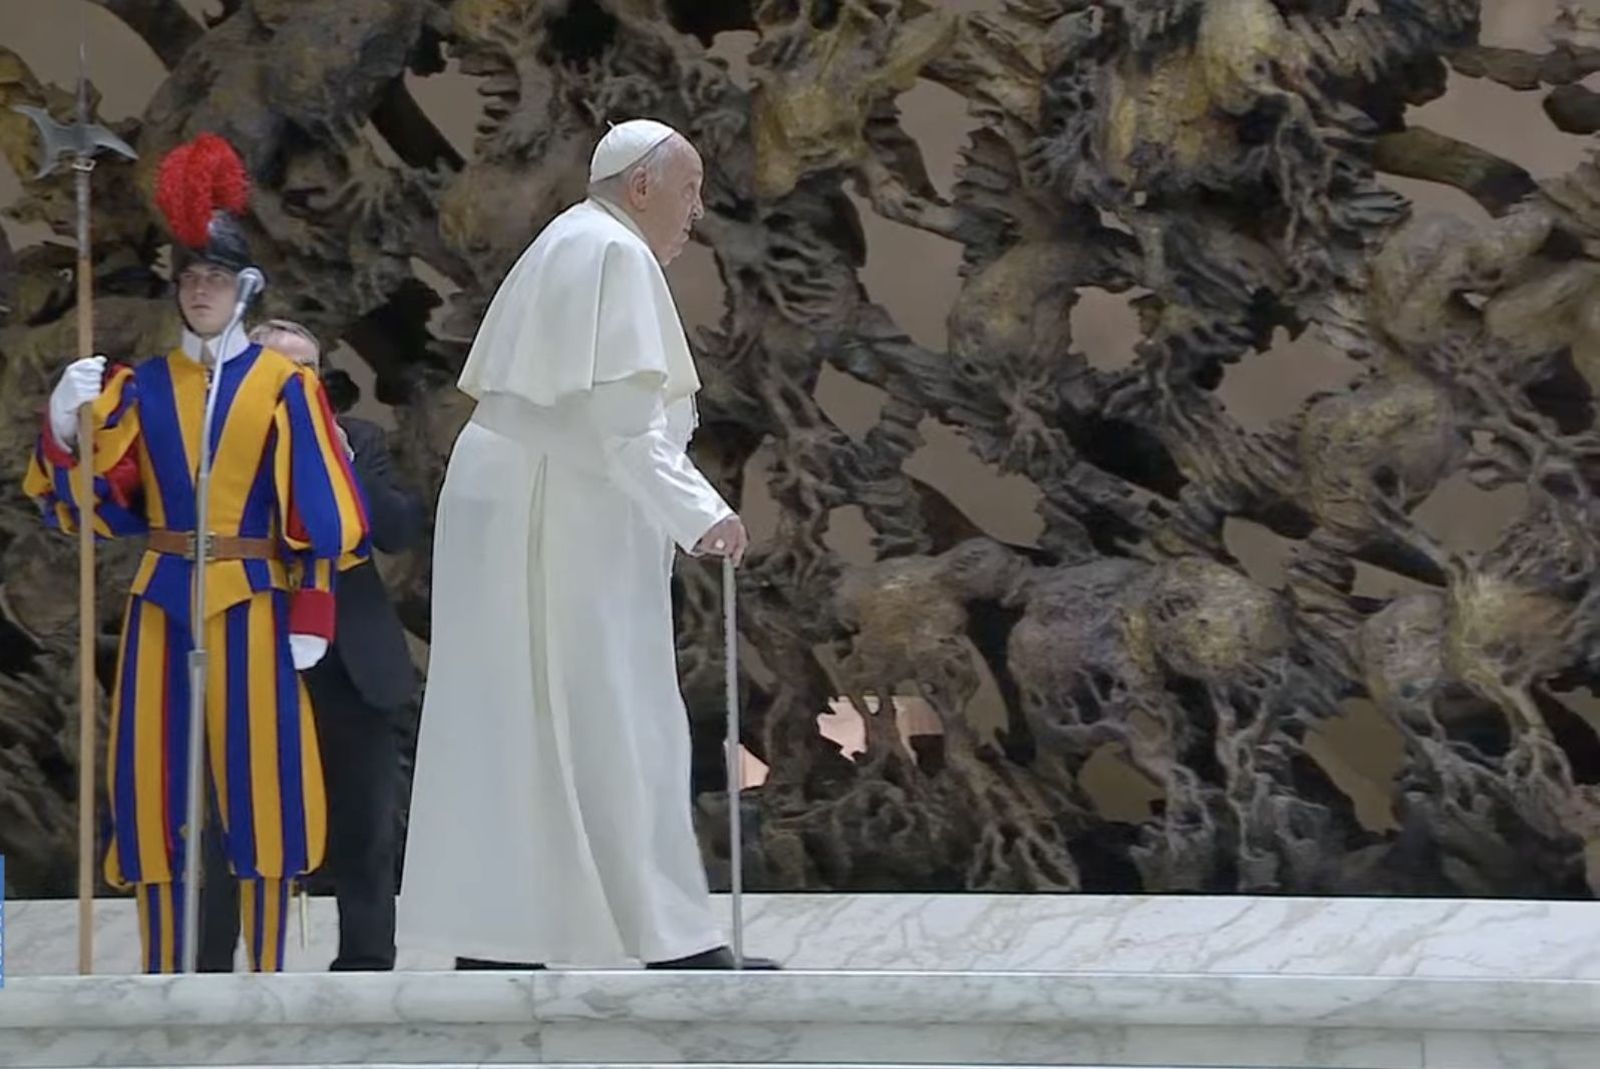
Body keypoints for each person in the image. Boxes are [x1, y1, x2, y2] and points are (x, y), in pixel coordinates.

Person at [397, 119, 776, 970]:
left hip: (525, 505)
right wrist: (702, 513)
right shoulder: (613, 253)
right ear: (642, 186)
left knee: (517, 721)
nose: (697, 210)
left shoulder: (567, 241)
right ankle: (673, 943)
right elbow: (621, 423)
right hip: (558, 516)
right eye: (689, 191)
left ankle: (504, 939)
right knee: (618, 715)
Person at [21, 133, 369, 973]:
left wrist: (311, 605)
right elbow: (93, 506)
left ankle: (271, 967)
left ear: (247, 287)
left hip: (254, 598)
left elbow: (320, 509)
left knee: (264, 780)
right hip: (161, 597)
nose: (199, 288)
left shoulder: (285, 386)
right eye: (189, 276)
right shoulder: (140, 387)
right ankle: (163, 968)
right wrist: (69, 429)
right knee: (154, 782)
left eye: (215, 275)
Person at [193, 319, 423, 971]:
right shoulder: (217, 449)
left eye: (307, 371)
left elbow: (402, 528)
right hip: (249, 650)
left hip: (351, 660)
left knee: (366, 826)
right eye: (279, 369)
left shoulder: (359, 439)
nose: (296, 383)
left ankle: (367, 967)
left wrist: (345, 470)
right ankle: (208, 969)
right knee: (228, 823)